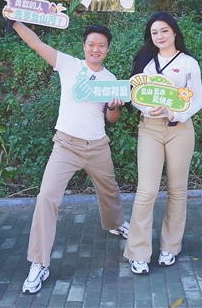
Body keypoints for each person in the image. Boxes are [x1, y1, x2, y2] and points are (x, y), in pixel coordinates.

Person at [9, 20, 130, 294]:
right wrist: (14, 21)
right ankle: (39, 262)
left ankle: (115, 224)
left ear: (107, 49)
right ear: (84, 46)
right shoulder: (68, 64)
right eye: (91, 44)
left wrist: (114, 106)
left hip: (97, 145)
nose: (96, 49)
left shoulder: (111, 79)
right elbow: (36, 44)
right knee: (46, 197)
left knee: (109, 190)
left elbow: (111, 118)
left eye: (101, 45)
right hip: (65, 145)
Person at [124, 12, 202, 275]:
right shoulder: (146, 61)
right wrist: (148, 110)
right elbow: (135, 93)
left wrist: (177, 114)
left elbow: (197, 99)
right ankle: (138, 253)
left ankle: (170, 247)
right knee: (146, 191)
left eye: (164, 31)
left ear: (174, 32)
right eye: (154, 32)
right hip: (150, 129)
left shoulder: (189, 63)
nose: (159, 36)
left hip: (180, 129)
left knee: (177, 190)